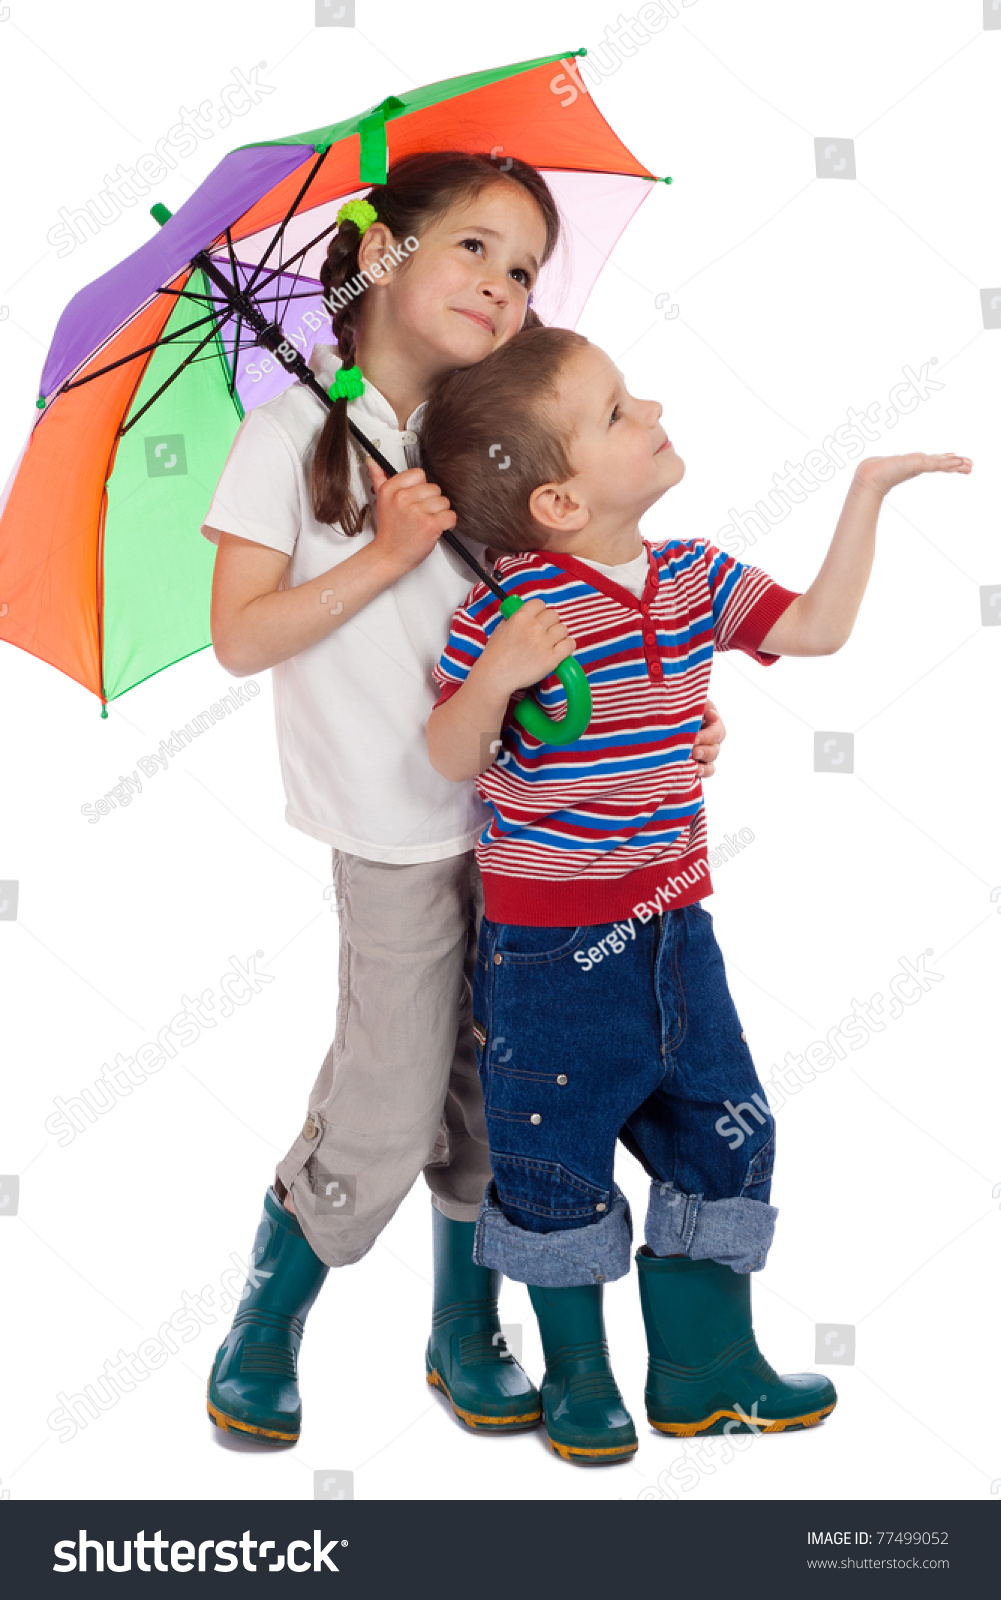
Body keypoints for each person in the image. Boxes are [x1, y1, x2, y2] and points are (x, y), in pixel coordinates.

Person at [199, 150, 730, 1445]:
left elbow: (572, 605)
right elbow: (242, 637)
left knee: (508, 1090)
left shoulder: (489, 438)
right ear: (379, 258)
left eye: (525, 268)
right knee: (384, 1098)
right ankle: (267, 1316)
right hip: (388, 835)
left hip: (531, 825)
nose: (502, 284)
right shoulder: (285, 440)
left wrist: (658, 713)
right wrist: (386, 550)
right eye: (475, 248)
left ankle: (461, 1325)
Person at [423, 323, 972, 1464]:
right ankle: (580, 1379)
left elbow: (814, 628)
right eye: (618, 412)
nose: (653, 409)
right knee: (551, 1154)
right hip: (547, 951)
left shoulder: (694, 577)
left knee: (727, 1130)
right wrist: (493, 678)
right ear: (560, 504)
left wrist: (865, 493)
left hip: (676, 928)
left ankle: (702, 1370)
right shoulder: (511, 615)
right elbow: (448, 754)